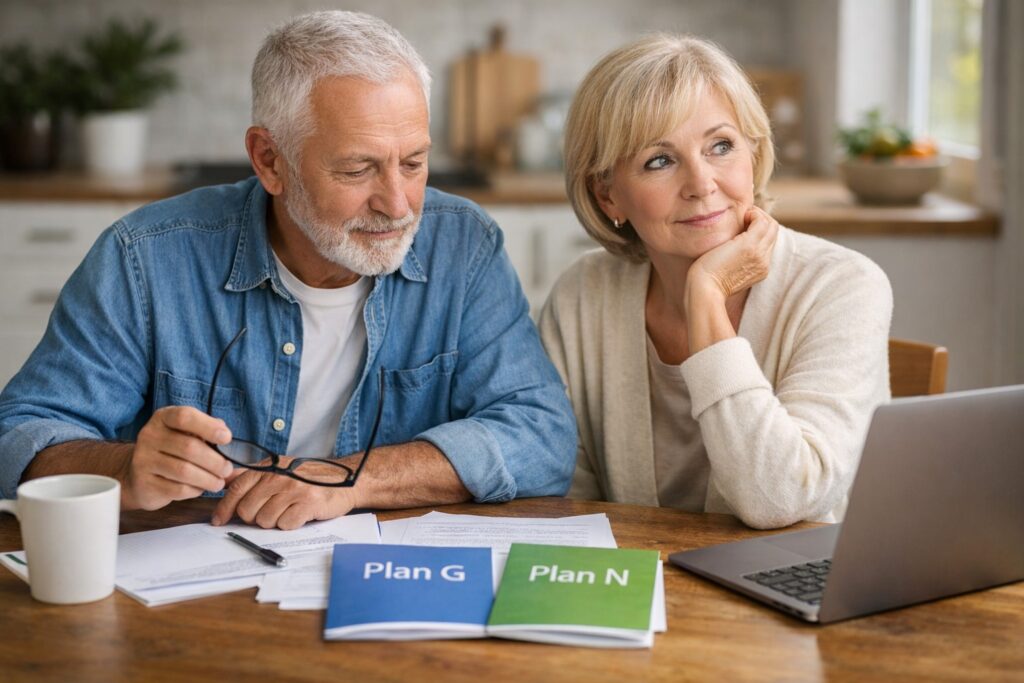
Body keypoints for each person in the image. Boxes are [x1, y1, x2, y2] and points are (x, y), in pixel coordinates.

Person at [0, 11, 576, 529]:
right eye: (357, 170)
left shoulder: (464, 245)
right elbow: (19, 435)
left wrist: (346, 481)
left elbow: (542, 436)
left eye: (414, 163)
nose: (399, 205)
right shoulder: (144, 257)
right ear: (270, 161)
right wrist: (127, 467)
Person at [539, 34, 892, 529]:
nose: (702, 183)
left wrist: (705, 297)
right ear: (608, 197)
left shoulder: (842, 286)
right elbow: (565, 503)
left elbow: (783, 498)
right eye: (659, 160)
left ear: (753, 153)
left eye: (720, 146)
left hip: (804, 592)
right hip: (639, 591)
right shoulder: (582, 297)